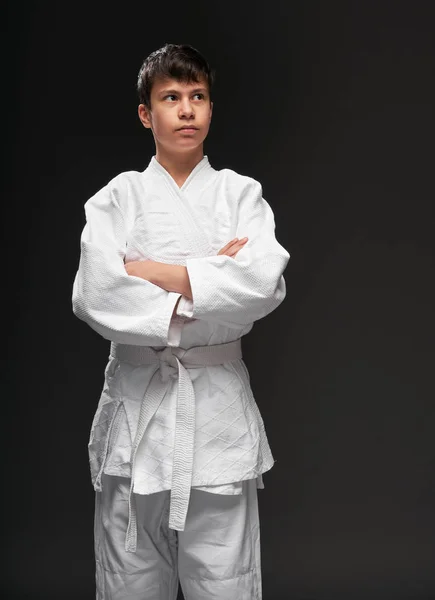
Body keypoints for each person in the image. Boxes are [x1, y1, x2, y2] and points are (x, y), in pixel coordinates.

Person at [72, 42, 290, 600]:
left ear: (212, 108)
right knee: (128, 584)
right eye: (171, 97)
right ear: (148, 113)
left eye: (198, 96)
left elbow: (263, 283)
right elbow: (96, 294)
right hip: (135, 415)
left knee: (227, 584)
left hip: (216, 415)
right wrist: (212, 274)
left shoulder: (242, 195)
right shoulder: (116, 199)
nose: (187, 109)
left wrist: (153, 271)